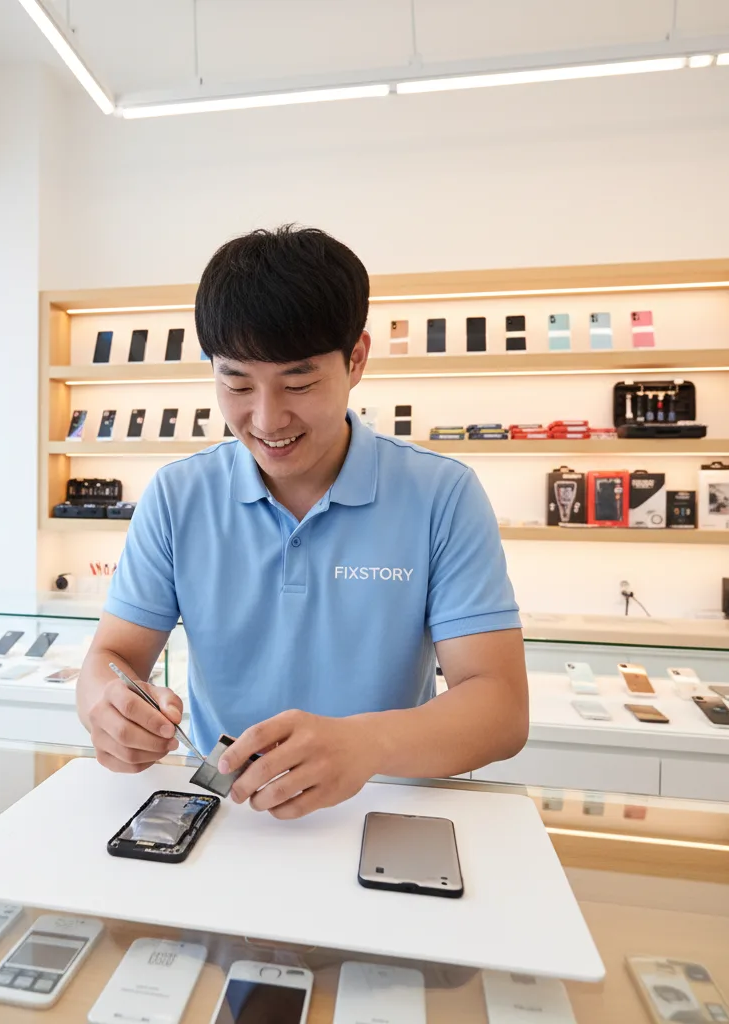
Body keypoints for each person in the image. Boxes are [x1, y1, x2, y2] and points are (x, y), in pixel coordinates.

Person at [77, 225, 529, 819]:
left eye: (299, 382)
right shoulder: (177, 495)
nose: (266, 418)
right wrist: (107, 706)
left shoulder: (441, 494)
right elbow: (112, 655)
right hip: (224, 813)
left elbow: (500, 708)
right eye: (236, 382)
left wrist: (366, 746)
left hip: (386, 813)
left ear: (357, 359)